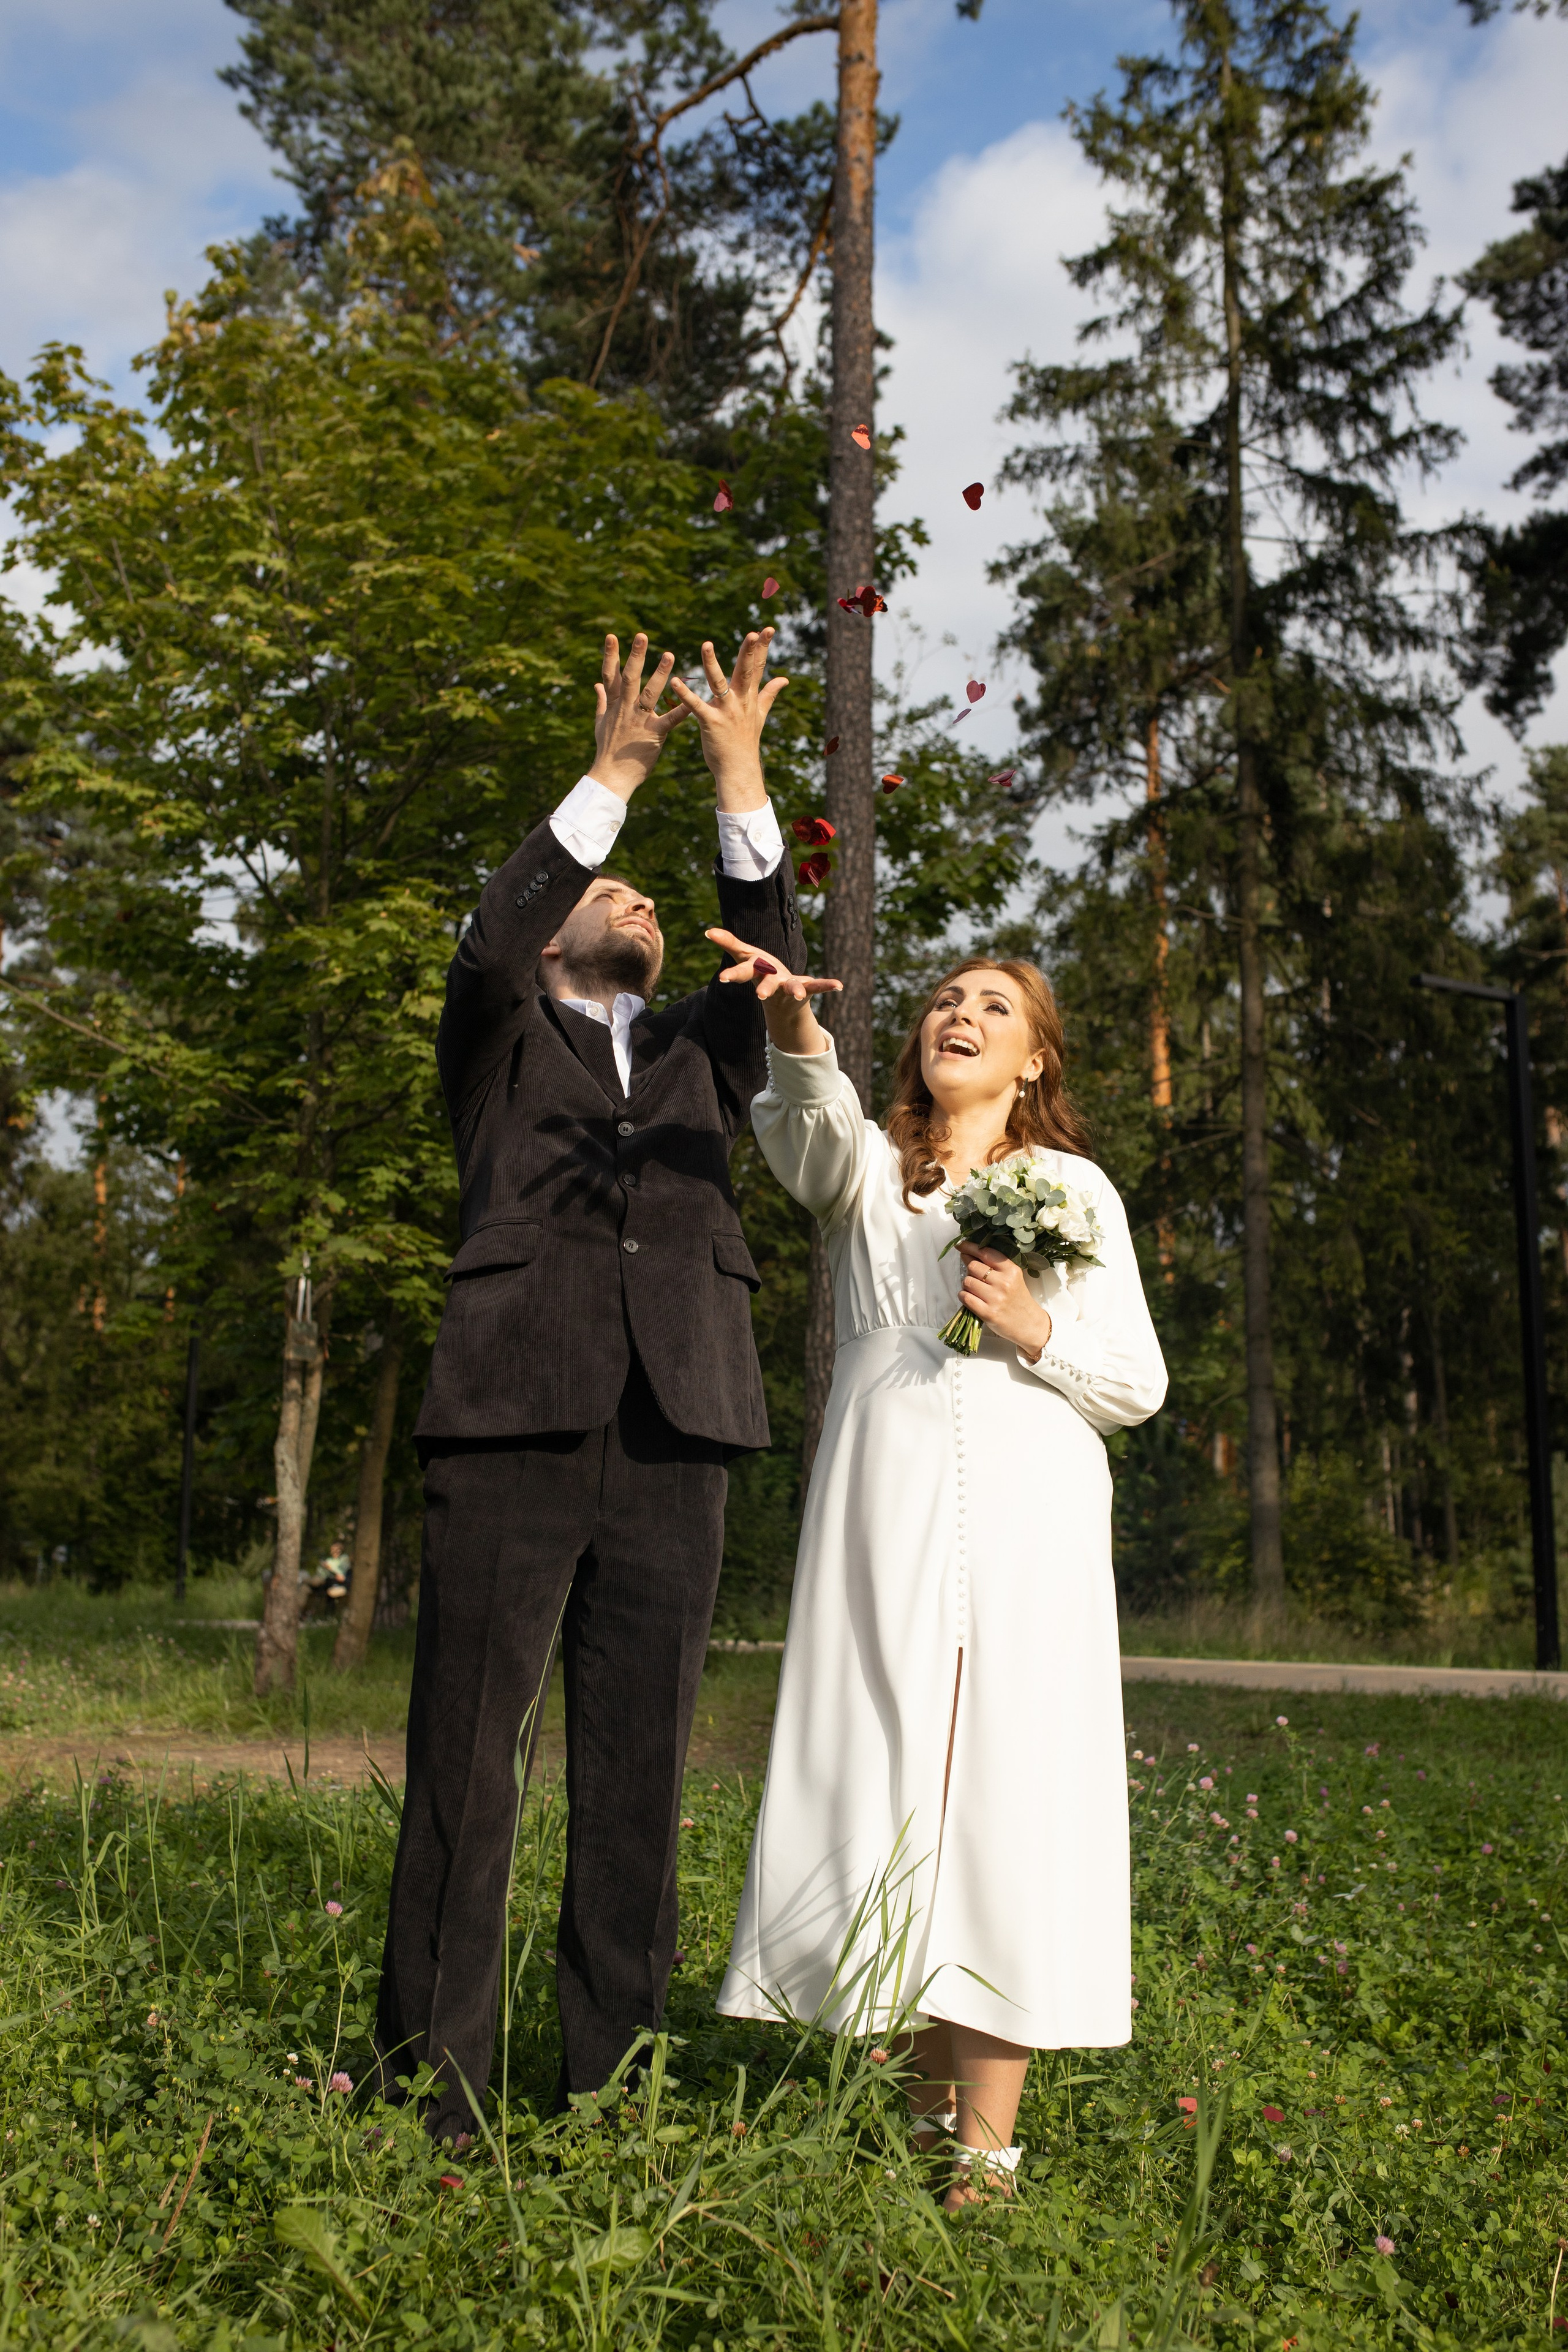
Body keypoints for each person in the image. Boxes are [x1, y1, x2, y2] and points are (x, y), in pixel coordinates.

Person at [376, 625, 812, 2140]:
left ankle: (609, 2097)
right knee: (467, 1768)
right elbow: (491, 938)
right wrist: (615, 775)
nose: (634, 900)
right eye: (605, 892)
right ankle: (430, 2101)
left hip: (676, 1426)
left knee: (636, 1777)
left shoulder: (704, 1049)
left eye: (643, 892)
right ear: (558, 931)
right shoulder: (494, 1039)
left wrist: (736, 774)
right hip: (509, 1420)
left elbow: (770, 951)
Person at [709, 946, 1167, 2207]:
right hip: (883, 1506)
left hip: (1028, 1512)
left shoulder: (1070, 1188)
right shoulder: (871, 1173)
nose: (958, 1016)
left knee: (1003, 1802)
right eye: (943, 1001)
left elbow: (1135, 1383)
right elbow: (804, 1137)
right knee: (892, 1789)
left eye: (994, 1008)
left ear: (1034, 1061)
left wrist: (1034, 1328)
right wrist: (798, 1025)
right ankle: (922, 2130)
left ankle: (987, 2162)